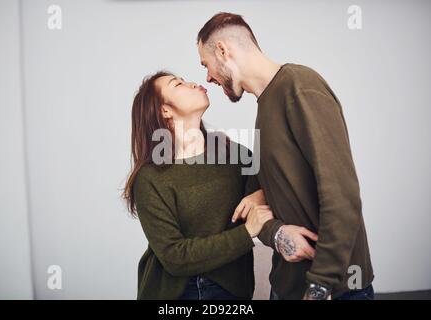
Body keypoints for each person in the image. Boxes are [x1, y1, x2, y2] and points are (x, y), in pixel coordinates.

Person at [197, 12, 374, 300]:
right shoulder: (265, 105)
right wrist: (277, 233)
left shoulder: (299, 86)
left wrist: (320, 284)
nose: (208, 77)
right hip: (286, 286)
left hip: (332, 290)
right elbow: (253, 207)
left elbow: (342, 195)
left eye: (206, 64)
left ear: (222, 50)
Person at [123, 71, 274, 300]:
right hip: (176, 293)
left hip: (232, 290)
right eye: (178, 84)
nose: (193, 83)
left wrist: (260, 194)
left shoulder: (235, 155)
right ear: (165, 110)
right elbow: (174, 257)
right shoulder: (150, 178)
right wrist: (245, 233)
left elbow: (276, 186)